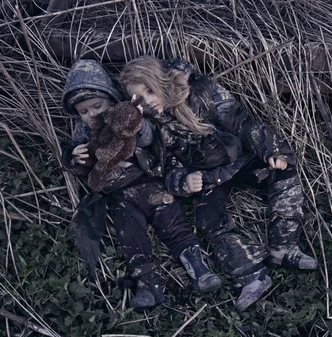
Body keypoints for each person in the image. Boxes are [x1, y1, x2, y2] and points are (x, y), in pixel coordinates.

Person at [120, 55, 318, 311]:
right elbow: (162, 167)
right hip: (209, 175)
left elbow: (241, 122)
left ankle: (284, 246)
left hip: (239, 159)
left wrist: (272, 151)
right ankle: (251, 276)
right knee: (209, 220)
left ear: (161, 79)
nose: (147, 100)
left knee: (284, 174)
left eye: (149, 89)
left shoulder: (202, 91)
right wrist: (183, 181)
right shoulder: (149, 127)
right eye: (138, 98)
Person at [59, 59, 222, 310]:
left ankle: (198, 269)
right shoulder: (83, 132)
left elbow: (148, 138)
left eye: (97, 106)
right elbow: (77, 163)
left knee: (172, 220)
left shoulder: (127, 114)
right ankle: (148, 284)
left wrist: (129, 127)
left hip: (150, 182)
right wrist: (74, 157)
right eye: (83, 111)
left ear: (112, 100)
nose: (91, 115)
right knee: (130, 234)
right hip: (119, 194)